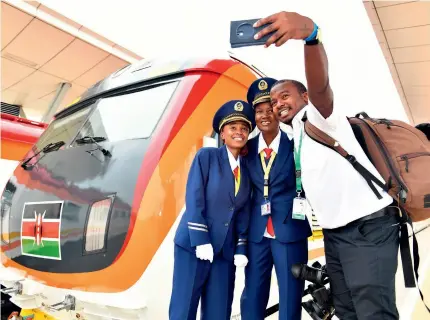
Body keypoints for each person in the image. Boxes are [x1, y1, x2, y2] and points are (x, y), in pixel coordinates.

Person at [253, 11, 400, 320]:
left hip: (366, 227)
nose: (278, 104)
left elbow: (321, 87)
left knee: (373, 312)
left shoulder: (321, 117)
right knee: (346, 311)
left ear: (303, 96)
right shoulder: (296, 138)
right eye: (273, 101)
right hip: (336, 235)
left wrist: (311, 36)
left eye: (285, 96)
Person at [169, 100, 254, 320]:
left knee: (219, 311)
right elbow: (194, 198)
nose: (239, 132)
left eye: (244, 128)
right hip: (193, 246)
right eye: (233, 127)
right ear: (222, 134)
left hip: (224, 252)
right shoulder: (207, 157)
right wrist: (200, 239)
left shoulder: (246, 169)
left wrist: (241, 248)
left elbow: (243, 212)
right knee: (184, 308)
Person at [240, 77, 312, 320]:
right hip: (257, 234)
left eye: (269, 109)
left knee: (291, 296)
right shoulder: (246, 151)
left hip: (290, 231)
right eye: (258, 111)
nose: (264, 115)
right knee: (252, 294)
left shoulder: (297, 145)